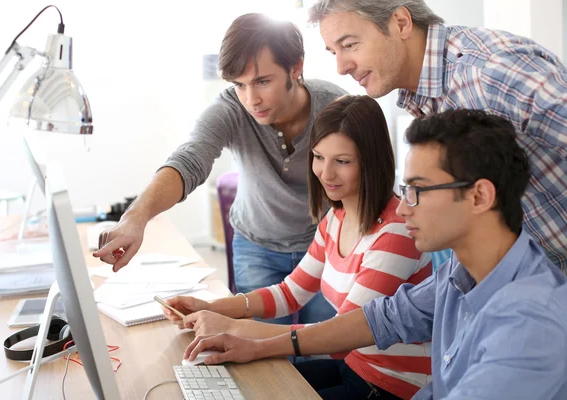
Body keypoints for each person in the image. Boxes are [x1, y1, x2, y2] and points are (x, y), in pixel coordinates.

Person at [184, 109, 567, 400]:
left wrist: (240, 331)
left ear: (479, 196)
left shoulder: (529, 325)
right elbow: (378, 319)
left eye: (418, 189)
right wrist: (250, 341)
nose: (403, 208)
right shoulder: (458, 274)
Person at [163, 95, 433, 400]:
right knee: (245, 385)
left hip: (391, 385)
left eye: (342, 161)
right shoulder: (337, 217)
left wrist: (238, 330)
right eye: (318, 157)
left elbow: (342, 335)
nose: (325, 174)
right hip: (355, 366)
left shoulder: (397, 231)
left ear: (371, 160)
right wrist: (211, 307)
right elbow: (290, 293)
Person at [93, 13, 348, 324]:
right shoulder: (231, 108)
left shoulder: (335, 107)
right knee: (265, 361)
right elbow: (190, 159)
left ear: (295, 67)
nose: (251, 99)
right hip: (258, 247)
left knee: (322, 355)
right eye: (239, 85)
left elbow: (372, 185)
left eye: (262, 81)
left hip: (327, 246)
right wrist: (136, 217)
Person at [306, 0, 567, 272]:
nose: (341, 67)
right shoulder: (425, 96)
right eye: (333, 51)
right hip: (530, 274)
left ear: (401, 23)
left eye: (349, 45)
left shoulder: (489, 72)